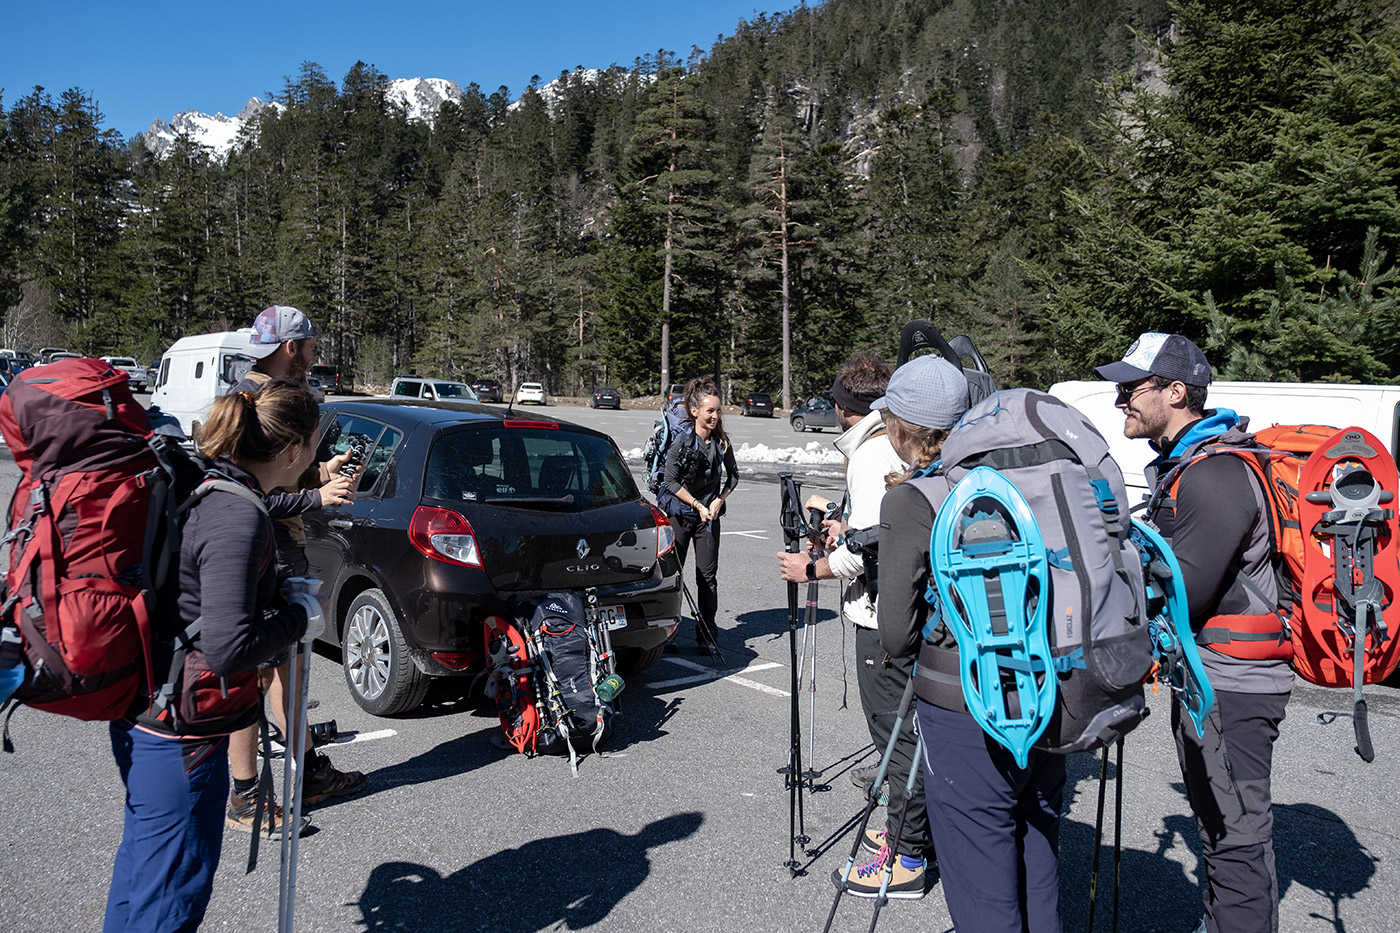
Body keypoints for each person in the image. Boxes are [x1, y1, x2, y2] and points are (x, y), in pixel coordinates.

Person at [104, 381, 322, 932]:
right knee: (171, 895)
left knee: (141, 881)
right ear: (293, 449)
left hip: (149, 710)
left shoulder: (210, 481)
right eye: (315, 446)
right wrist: (300, 617)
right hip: (184, 733)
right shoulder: (237, 512)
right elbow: (227, 650)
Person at [1096, 333, 1290, 933]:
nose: (1120, 399)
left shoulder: (1213, 475)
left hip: (1232, 683)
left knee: (1235, 835)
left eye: (1132, 387)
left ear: (1176, 392)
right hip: (1215, 675)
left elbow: (1186, 589)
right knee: (1221, 827)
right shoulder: (1189, 467)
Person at [877, 356, 1067, 931]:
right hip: (1044, 688)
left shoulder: (915, 498)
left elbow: (895, 631)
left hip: (964, 703)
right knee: (1037, 856)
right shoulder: (1020, 477)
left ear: (901, 427)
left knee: (979, 871)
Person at [774, 353, 931, 898]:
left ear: (844, 409)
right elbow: (877, 530)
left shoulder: (869, 452)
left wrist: (813, 566)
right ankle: (911, 834)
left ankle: (907, 854)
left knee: (894, 731)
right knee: (908, 726)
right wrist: (847, 530)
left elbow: (877, 550)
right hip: (914, 611)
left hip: (883, 615)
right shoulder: (906, 441)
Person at [225, 305, 366, 834]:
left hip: (284, 553)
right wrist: (316, 496)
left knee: (289, 671)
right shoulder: (254, 401)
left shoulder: (261, 395)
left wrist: (323, 470)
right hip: (271, 555)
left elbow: (277, 478)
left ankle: (306, 774)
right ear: (291, 348)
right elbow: (246, 496)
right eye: (309, 345)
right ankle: (244, 798)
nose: (314, 355)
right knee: (255, 673)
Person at [661, 376, 738, 650]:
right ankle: (668, 633)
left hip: (709, 518)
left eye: (718, 410)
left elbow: (734, 477)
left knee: (707, 576)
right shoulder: (681, 440)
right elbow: (670, 482)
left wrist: (719, 499)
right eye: (710, 411)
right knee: (674, 576)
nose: (715, 416)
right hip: (680, 515)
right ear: (695, 411)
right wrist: (697, 504)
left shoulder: (722, 443)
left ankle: (707, 635)